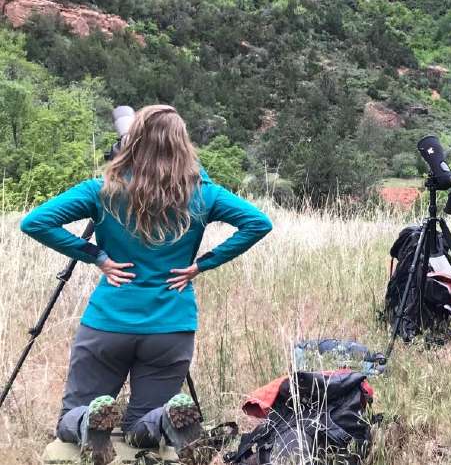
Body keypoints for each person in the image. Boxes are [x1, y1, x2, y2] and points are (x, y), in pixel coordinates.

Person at [20, 105, 273, 465]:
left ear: (131, 143)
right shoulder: (203, 194)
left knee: (69, 418)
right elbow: (258, 222)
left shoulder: (102, 190)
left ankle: (90, 422)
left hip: (109, 322)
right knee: (142, 425)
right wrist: (201, 265)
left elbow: (36, 222)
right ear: (183, 146)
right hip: (171, 328)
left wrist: (97, 257)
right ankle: (164, 420)